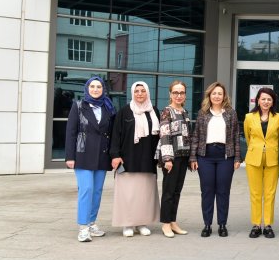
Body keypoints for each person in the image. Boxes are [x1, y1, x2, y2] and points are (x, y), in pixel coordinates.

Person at [65, 76, 116, 242]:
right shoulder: (78, 106)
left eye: (99, 87)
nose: (95, 89)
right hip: (83, 154)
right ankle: (83, 227)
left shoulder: (108, 107)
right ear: (87, 89)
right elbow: (71, 132)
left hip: (102, 154)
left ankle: (92, 222)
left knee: (97, 191)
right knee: (86, 189)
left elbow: (112, 132)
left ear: (103, 89)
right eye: (92, 86)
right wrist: (70, 157)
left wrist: (113, 155)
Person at [189, 82, 242, 238]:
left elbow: (236, 137)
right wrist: (193, 157)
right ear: (209, 95)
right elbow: (196, 136)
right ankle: (207, 224)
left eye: (220, 93)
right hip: (205, 156)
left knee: (223, 191)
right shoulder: (202, 113)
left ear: (224, 96)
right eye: (214, 93)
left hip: (225, 156)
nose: (217, 96)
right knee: (207, 191)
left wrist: (237, 157)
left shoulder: (231, 113)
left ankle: (222, 224)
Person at [110, 81, 161, 237]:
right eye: (137, 91)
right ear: (132, 93)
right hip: (128, 159)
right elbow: (116, 135)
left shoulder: (154, 111)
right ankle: (128, 224)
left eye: (143, 91)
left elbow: (159, 136)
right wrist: (115, 155)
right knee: (128, 194)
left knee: (144, 195)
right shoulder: (125, 112)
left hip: (147, 160)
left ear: (147, 93)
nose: (140, 93)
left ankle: (141, 223)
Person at [243, 87, 279, 239]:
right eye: (263, 99)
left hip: (273, 159)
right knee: (255, 193)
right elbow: (248, 137)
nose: (266, 102)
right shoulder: (249, 117)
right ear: (258, 100)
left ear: (273, 102)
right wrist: (256, 149)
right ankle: (256, 224)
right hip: (254, 158)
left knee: (270, 193)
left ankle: (267, 225)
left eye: (269, 99)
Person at [158, 80, 191, 238]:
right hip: (171, 158)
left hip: (183, 156)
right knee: (168, 191)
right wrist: (167, 159)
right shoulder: (166, 111)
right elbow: (164, 135)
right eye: (175, 92)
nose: (179, 95)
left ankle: (173, 221)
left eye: (182, 92)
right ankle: (165, 223)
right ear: (170, 94)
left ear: (185, 95)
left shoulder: (185, 112)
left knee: (177, 191)